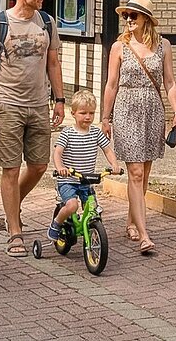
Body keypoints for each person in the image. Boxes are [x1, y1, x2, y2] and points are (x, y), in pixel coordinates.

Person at [0, 0, 65, 257]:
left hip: (39, 104)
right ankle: (15, 232)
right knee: (11, 169)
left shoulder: (47, 23)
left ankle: (12, 205)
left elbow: (53, 64)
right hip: (7, 104)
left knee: (39, 165)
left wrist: (60, 100)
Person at [101, 0, 176, 255]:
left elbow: (169, 82)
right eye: (125, 16)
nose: (127, 20)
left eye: (132, 16)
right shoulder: (119, 47)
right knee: (135, 173)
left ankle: (131, 221)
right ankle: (145, 235)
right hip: (126, 109)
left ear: (146, 19)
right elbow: (111, 84)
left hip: (152, 111)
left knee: (144, 174)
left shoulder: (164, 46)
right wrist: (105, 117)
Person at [48, 90, 122, 241]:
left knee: (94, 210)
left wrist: (114, 164)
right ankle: (56, 224)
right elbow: (57, 153)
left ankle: (91, 232)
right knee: (72, 206)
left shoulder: (95, 133)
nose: (88, 117)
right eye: (83, 113)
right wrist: (60, 168)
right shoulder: (68, 133)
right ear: (73, 113)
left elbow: (107, 150)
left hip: (86, 181)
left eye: (91, 113)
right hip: (68, 180)